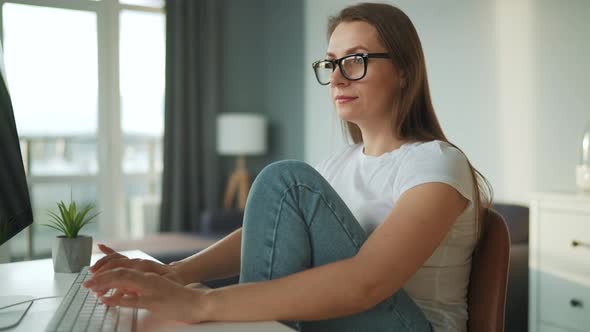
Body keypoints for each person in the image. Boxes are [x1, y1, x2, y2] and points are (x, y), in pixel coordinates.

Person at [83, 3, 492, 331]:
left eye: (355, 60)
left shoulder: (437, 163)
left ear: (404, 72)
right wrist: (175, 272)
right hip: (338, 319)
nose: (337, 79)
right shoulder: (338, 165)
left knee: (286, 181)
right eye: (330, 63)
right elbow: (267, 232)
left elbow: (369, 280)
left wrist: (200, 302)